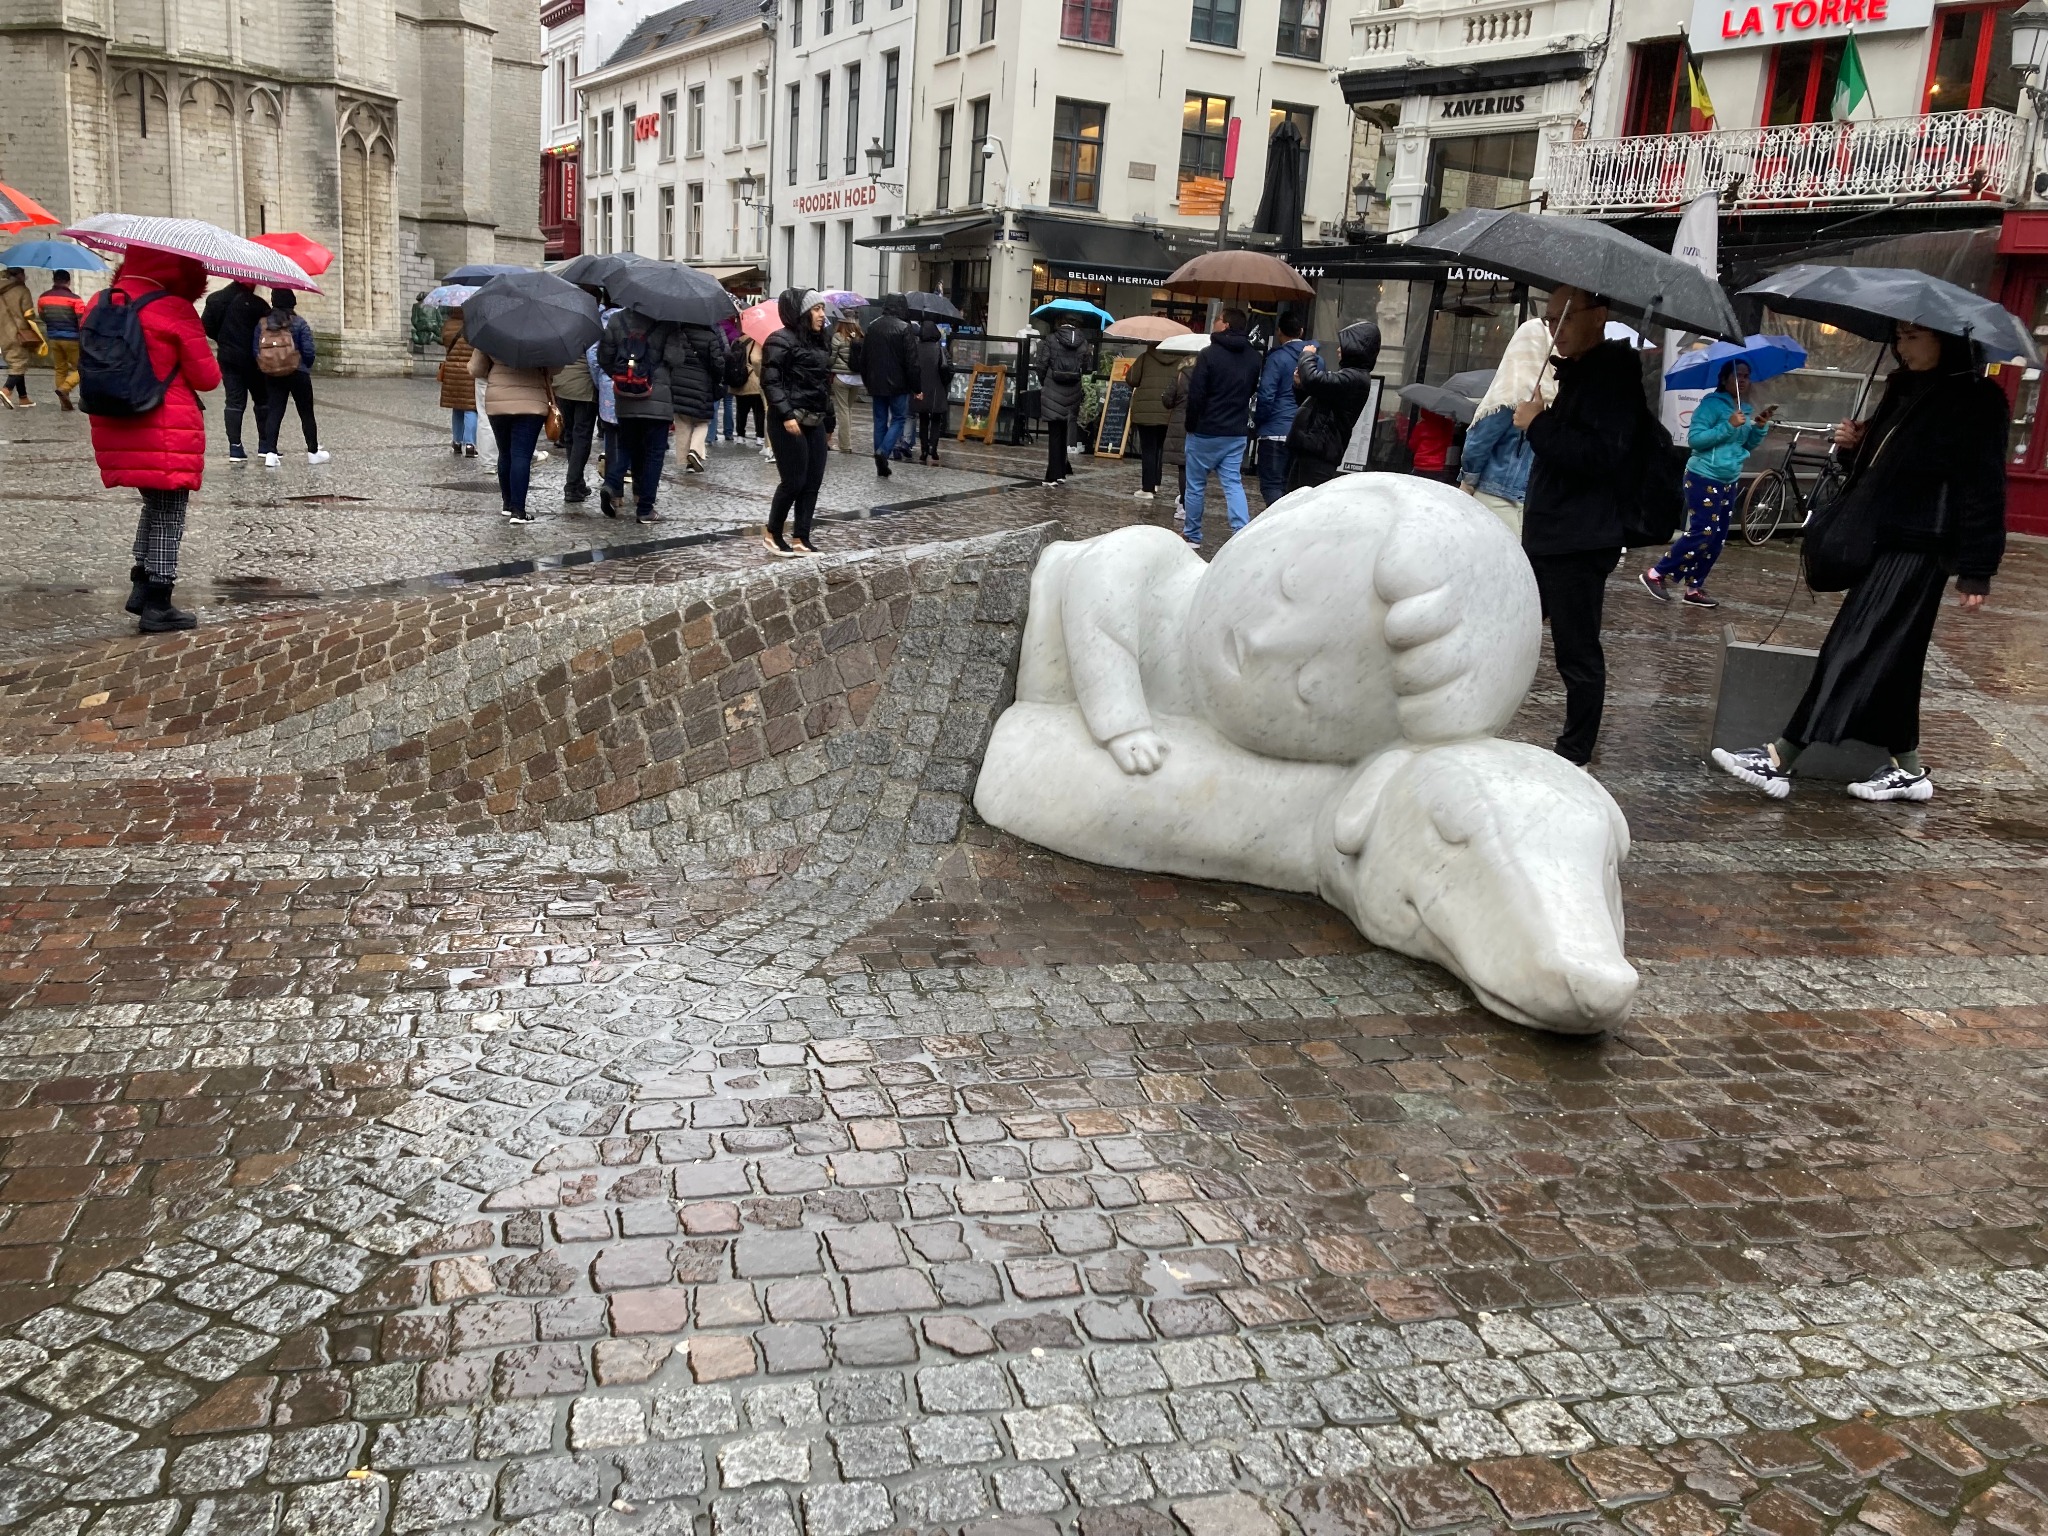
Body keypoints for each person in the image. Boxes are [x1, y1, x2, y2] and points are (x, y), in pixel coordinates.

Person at [1715, 322, 2005, 804]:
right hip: (1881, 536)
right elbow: (1880, 470)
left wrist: (1978, 567)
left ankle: (1780, 758)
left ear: (1946, 339)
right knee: (1895, 661)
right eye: (1900, 337)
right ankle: (1909, 771)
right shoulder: (1903, 388)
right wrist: (1856, 448)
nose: (1902, 347)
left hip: (1922, 544)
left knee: (1853, 646)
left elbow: (1985, 485)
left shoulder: (1976, 400)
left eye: (1914, 337)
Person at [1514, 285, 1640, 768]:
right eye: (1550, 319)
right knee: (1513, 630)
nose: (1556, 329)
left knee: (1576, 650)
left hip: (1577, 540)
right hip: (1552, 534)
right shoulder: (1580, 371)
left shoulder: (1611, 376)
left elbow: (1599, 456)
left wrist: (1538, 424)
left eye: (1565, 318)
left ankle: (1574, 753)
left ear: (1599, 316)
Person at [85, 249, 222, 632]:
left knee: (154, 505)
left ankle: (142, 587)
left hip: (114, 418)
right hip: (164, 425)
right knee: (169, 512)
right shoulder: (174, 308)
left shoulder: (100, 301)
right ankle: (158, 603)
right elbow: (208, 379)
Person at [1640, 360, 1770, 609]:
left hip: (1728, 479)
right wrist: (1728, 425)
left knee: (1717, 538)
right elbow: (1696, 440)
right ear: (1724, 379)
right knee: (1703, 531)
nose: (1743, 380)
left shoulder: (1744, 409)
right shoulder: (1710, 405)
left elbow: (1744, 445)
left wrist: (1759, 428)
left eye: (1746, 376)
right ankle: (1656, 573)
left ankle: (1694, 588)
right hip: (1704, 476)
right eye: (1737, 376)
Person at [1458, 317, 1554, 536]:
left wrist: (1468, 481)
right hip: (1536, 495)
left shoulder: (1509, 388)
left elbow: (1480, 440)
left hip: (1497, 491)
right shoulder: (1556, 390)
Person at [1179, 308, 1263, 544]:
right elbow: (1251, 390)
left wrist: (1191, 424)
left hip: (1205, 430)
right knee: (1233, 483)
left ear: (1225, 325)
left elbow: (1196, 394)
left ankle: (1192, 534)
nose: (1214, 322)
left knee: (1195, 486)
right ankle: (1241, 532)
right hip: (1235, 431)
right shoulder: (1254, 357)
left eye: (1218, 319)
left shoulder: (1208, 355)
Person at [761, 288, 834, 555]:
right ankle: (773, 533)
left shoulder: (820, 341)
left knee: (813, 482)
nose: (822, 314)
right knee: (794, 481)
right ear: (802, 313)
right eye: (816, 309)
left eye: (822, 309)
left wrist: (830, 420)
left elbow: (822, 385)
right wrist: (786, 414)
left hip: (815, 419)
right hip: (788, 421)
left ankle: (801, 537)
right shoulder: (779, 340)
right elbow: (771, 382)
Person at [596, 304, 674, 525]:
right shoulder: (668, 323)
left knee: (626, 446)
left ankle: (611, 484)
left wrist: (625, 378)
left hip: (626, 398)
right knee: (654, 454)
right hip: (657, 399)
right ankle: (645, 509)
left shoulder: (616, 320)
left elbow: (604, 357)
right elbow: (675, 358)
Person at [1283, 321, 1381, 491]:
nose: (1338, 350)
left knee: (1308, 500)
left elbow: (1313, 379)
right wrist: (1299, 385)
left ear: (1355, 348)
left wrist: (1307, 355)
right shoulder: (1349, 375)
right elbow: (1315, 401)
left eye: (1343, 346)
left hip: (1320, 451)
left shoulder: (1355, 378)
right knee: (1294, 497)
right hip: (1312, 447)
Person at [469, 341, 554, 525]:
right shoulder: (542, 335)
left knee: (505, 453)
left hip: (498, 401)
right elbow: (555, 369)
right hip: (531, 402)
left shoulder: (492, 333)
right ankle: (518, 511)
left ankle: (507, 504)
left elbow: (476, 369)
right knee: (521, 455)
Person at [200, 278, 272, 461]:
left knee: (234, 402)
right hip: (254, 360)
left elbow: (206, 327)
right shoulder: (258, 305)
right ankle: (265, 444)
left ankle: (235, 447)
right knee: (262, 400)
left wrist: (223, 339)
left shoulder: (215, 299)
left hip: (228, 357)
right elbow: (267, 332)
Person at [253, 289, 326, 467]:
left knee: (274, 412)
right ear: (292, 302)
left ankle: (270, 453)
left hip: (272, 374)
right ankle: (313, 452)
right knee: (306, 413)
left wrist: (267, 365)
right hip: (298, 372)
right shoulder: (299, 322)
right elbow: (309, 350)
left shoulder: (263, 323)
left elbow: (255, 349)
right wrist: (304, 365)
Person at [859, 293, 917, 476]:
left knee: (880, 420)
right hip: (899, 384)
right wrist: (917, 386)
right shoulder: (905, 328)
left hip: (876, 383)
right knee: (899, 419)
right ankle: (883, 452)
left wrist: (867, 381)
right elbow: (912, 362)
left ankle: (880, 462)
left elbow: (864, 358)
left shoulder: (873, 326)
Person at [1254, 311, 1307, 503]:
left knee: (1272, 485)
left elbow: (1266, 395)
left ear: (1279, 332)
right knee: (1292, 488)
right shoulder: (1316, 360)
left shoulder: (1276, 359)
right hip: (1302, 431)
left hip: (1275, 430)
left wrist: (1259, 421)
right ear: (1301, 331)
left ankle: (1275, 519)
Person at [666, 317, 729, 474]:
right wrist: (717, 377)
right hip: (702, 383)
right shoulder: (710, 337)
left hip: (679, 383)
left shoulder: (677, 335)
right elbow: (718, 363)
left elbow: (670, 358)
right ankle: (694, 450)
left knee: (683, 423)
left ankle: (686, 460)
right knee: (702, 421)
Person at [1038, 320, 1093, 487]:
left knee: (1054, 434)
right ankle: (1061, 472)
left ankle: (1052, 476)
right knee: (1064, 431)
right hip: (1073, 390)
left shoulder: (1051, 339)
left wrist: (1045, 381)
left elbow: (1042, 364)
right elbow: (1087, 367)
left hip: (1053, 390)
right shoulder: (1083, 342)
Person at [1124, 342, 1180, 501]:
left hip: (1146, 410)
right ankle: (1155, 482)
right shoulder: (1179, 359)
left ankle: (1147, 488)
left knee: (1148, 448)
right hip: (1168, 410)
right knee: (1159, 447)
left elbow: (1132, 379)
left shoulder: (1145, 358)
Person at [36, 271, 86, 411]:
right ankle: (65, 388)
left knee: (60, 369)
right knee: (82, 368)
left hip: (53, 337)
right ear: (68, 281)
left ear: (54, 280)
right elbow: (82, 319)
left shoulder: (43, 298)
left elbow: (42, 316)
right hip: (72, 339)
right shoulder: (75, 299)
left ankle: (64, 403)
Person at [554, 348, 598, 506]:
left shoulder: (562, 333)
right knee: (582, 436)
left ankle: (578, 482)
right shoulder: (591, 334)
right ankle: (572, 486)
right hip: (584, 387)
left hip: (562, 385)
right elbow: (594, 361)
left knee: (569, 435)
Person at [1, 267, 43, 408]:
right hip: (19, 332)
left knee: (16, 362)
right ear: (19, 275)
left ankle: (23, 397)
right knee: (20, 362)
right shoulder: (22, 290)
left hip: (3, 332)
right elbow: (28, 313)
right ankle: (6, 390)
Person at [913, 317, 951, 465]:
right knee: (936, 420)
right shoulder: (940, 350)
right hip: (937, 389)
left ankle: (923, 450)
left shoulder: (916, 349)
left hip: (921, 389)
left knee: (923, 419)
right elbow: (949, 368)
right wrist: (945, 383)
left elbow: (911, 368)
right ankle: (933, 448)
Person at [439, 309, 478, 456]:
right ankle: (469, 444)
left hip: (451, 372)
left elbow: (443, 342)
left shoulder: (448, 324)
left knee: (457, 407)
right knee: (470, 407)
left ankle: (456, 442)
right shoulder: (474, 325)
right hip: (468, 371)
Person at [830, 318, 862, 454]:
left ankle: (845, 445)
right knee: (848, 409)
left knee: (843, 410)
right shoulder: (861, 336)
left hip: (842, 378)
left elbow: (832, 357)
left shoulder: (838, 336)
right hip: (857, 379)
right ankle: (846, 442)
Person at [733, 333, 767, 446]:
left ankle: (740, 435)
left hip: (739, 379)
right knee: (759, 411)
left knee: (741, 410)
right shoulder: (758, 341)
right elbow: (757, 360)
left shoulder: (737, 341)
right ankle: (759, 436)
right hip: (754, 379)